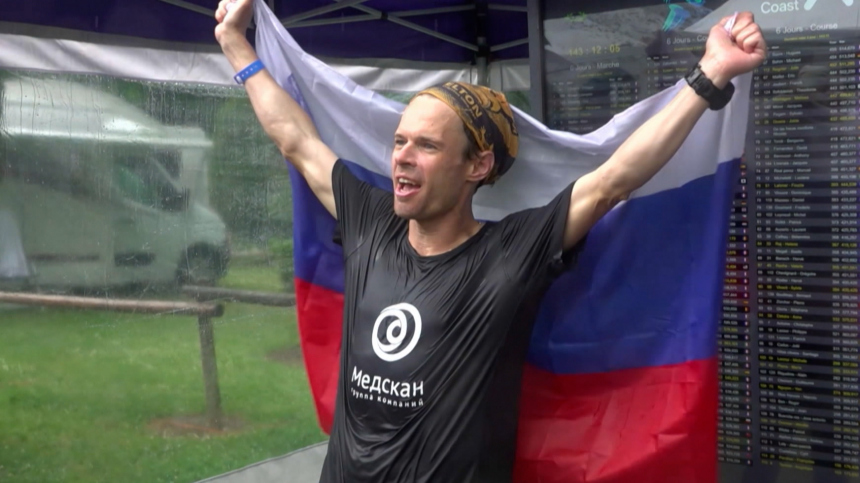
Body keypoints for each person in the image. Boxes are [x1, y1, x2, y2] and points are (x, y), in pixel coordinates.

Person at [214, 1, 766, 481]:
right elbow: (296, 139)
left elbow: (613, 181)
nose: (401, 157)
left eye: (426, 146)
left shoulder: (510, 255)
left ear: (477, 165)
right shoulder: (370, 222)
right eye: (399, 141)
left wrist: (711, 73)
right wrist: (234, 42)